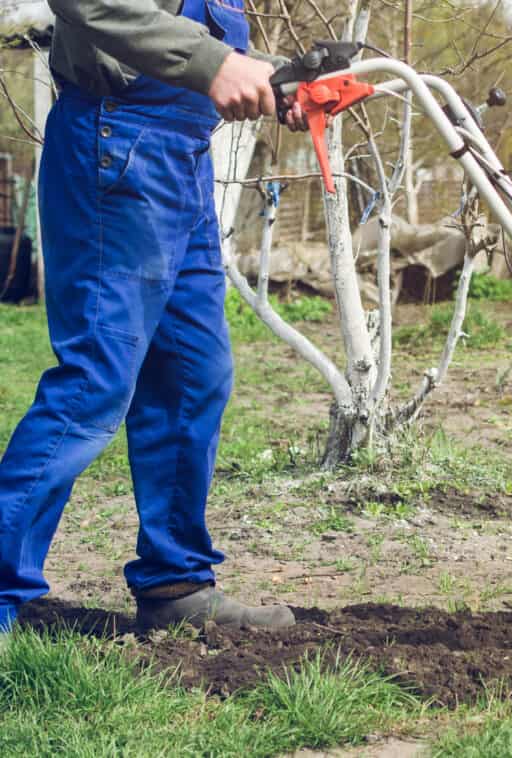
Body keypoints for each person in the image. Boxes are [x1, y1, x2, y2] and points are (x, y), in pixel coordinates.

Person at [0, 0, 310, 643]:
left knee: (191, 373)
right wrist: (215, 63)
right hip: (119, 143)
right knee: (95, 382)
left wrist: (277, 80)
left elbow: (195, 36)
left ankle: (176, 586)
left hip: (183, 160)